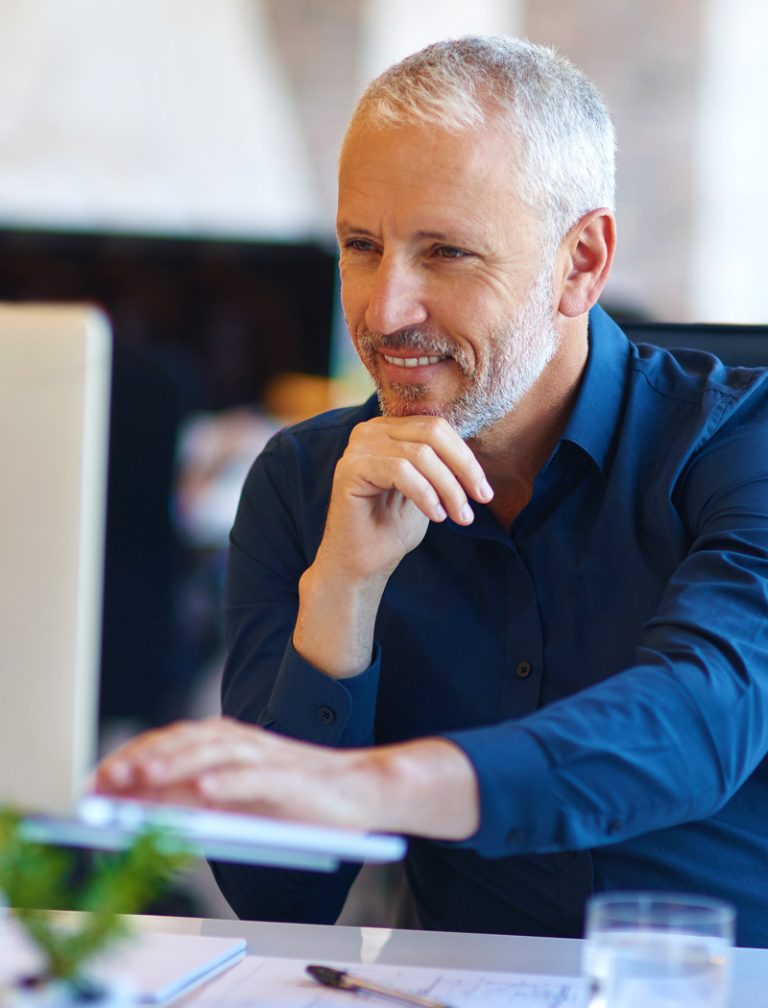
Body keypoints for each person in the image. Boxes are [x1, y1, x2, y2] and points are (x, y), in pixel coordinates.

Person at [96, 36, 768, 945]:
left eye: (446, 253)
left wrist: (363, 789)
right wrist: (343, 588)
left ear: (581, 262)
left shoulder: (741, 445)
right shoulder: (305, 482)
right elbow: (279, 900)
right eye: (362, 246)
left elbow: (697, 718)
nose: (384, 311)